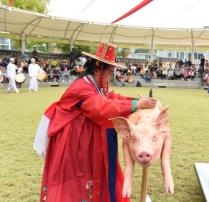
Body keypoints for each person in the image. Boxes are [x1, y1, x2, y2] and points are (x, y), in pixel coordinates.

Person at [33, 42, 157, 202]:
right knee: (76, 179)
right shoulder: (82, 87)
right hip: (74, 143)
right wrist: (137, 105)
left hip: (84, 139)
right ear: (99, 68)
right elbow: (101, 107)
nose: (111, 76)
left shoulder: (96, 84)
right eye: (110, 72)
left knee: (93, 174)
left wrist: (135, 101)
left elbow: (112, 98)